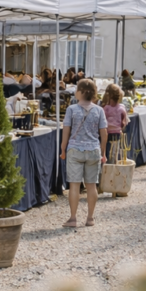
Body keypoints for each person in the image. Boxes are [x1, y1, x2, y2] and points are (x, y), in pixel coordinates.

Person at [60, 78, 108, 228]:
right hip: (93, 149)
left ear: (80, 93)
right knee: (91, 185)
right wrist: (103, 152)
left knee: (74, 185)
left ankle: (73, 218)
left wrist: (63, 149)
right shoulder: (99, 110)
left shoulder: (71, 109)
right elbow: (104, 133)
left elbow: (66, 131)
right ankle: (90, 218)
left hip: (75, 149)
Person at [101, 83, 129, 162]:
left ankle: (106, 166)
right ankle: (114, 164)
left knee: (107, 152)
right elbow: (125, 121)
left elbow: (102, 121)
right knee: (115, 152)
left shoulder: (106, 108)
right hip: (117, 132)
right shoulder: (122, 107)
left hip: (107, 133)